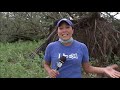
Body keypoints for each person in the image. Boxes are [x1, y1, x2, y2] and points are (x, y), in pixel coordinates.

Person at [43, 18, 120, 78]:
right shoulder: (51, 46)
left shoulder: (81, 47)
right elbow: (46, 64)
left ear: (72, 30)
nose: (64, 30)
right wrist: (49, 71)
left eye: (67, 27)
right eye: (61, 28)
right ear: (57, 31)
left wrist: (104, 69)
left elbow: (88, 68)